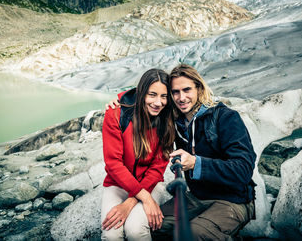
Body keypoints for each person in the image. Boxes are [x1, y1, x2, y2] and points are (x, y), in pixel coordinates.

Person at [107, 64, 256, 240]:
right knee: (152, 224)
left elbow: (244, 169)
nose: (181, 97)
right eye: (175, 92)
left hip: (233, 200)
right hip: (196, 196)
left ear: (199, 89)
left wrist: (196, 163)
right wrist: (120, 102)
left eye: (187, 90)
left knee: (193, 234)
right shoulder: (174, 120)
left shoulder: (226, 118)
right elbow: (147, 97)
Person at [101, 68, 175, 241]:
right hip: (117, 184)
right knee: (111, 233)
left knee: (136, 230)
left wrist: (131, 201)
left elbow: (158, 168)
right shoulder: (117, 113)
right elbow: (113, 163)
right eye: (152, 94)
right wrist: (145, 199)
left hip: (149, 183)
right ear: (142, 93)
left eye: (164, 96)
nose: (158, 102)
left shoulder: (167, 119)